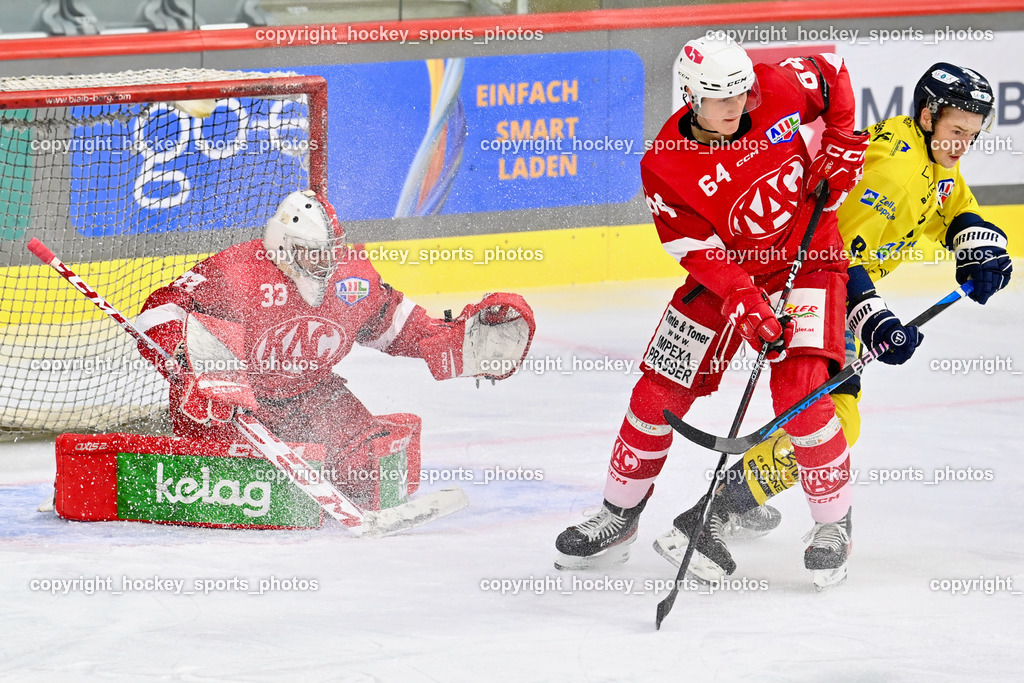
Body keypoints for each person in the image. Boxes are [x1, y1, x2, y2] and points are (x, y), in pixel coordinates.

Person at [653, 62, 1012, 585]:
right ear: (928, 115)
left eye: (972, 137)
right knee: (834, 419)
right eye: (956, 132)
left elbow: (952, 203)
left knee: (818, 414)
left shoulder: (928, 154)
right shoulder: (894, 169)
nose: (961, 146)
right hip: (811, 286)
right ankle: (711, 515)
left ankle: (740, 496)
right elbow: (832, 250)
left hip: (823, 287)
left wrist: (979, 246)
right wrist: (870, 315)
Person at [554, 35, 870, 589]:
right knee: (655, 393)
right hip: (729, 280)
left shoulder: (772, 87)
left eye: (744, 93)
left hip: (810, 260)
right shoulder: (664, 164)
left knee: (800, 394)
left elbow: (834, 70)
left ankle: (833, 526)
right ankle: (618, 516)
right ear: (691, 97)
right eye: (724, 100)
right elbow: (695, 250)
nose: (741, 105)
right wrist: (745, 299)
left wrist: (843, 143)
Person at [134, 189, 535, 509]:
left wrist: (444, 339)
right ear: (284, 246)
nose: (325, 262)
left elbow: (389, 323)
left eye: (330, 251)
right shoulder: (238, 271)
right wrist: (187, 365)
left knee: (373, 474)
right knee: (264, 493)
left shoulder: (352, 277)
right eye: (313, 253)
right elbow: (156, 312)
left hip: (311, 393)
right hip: (233, 403)